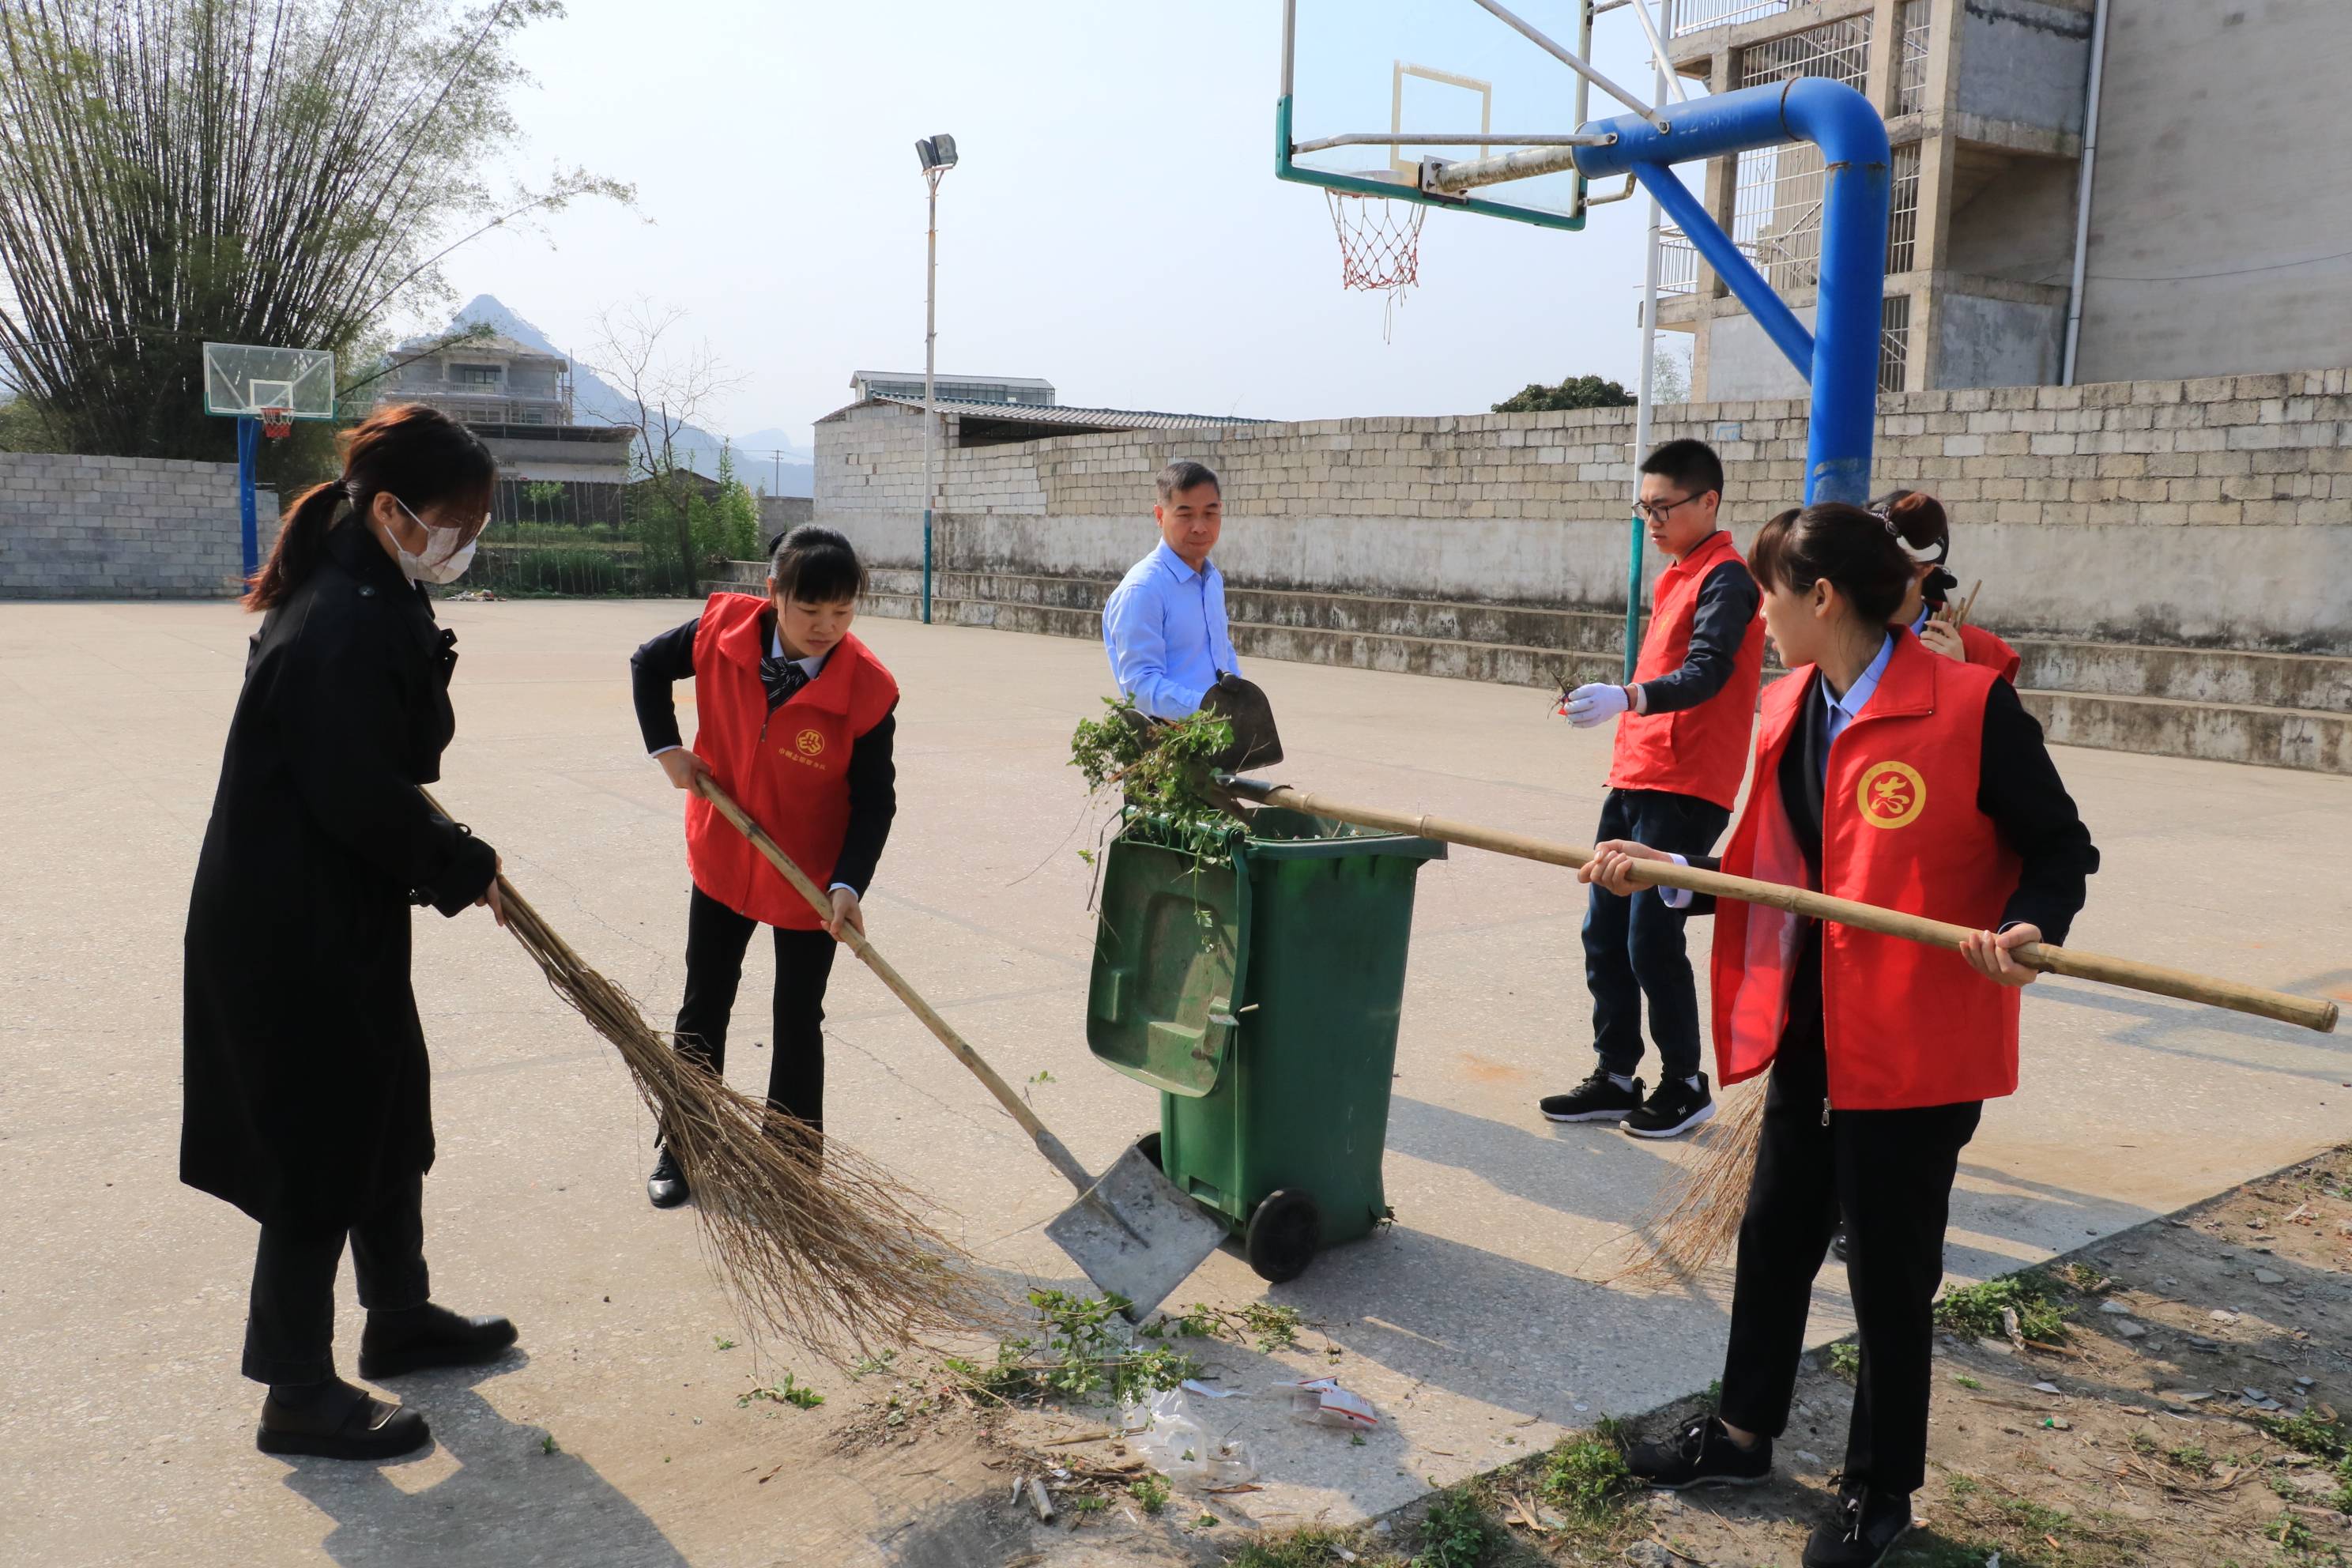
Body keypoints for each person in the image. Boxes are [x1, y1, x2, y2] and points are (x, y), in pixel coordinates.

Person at [1581, 501, 2098, 1568]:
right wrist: (1671, 874)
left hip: (1916, 1043)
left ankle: (1880, 1491)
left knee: (1889, 1275)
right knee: (1773, 1236)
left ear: (1821, 598)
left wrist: (2031, 923)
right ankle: (1738, 1434)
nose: (1760, 612)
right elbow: (1772, 864)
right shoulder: (1783, 706)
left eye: (1770, 593)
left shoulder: (1969, 708)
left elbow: (2061, 846)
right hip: (1812, 1023)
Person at [183, 404, 519, 1463]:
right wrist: (459, 864)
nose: (465, 546)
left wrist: (449, 855)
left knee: (384, 1108)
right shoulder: (341, 616)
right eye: (455, 526)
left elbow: (385, 769)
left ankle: (400, 1318)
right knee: (318, 1148)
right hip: (288, 924)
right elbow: (360, 795)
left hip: (338, 905)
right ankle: (294, 1393)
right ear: (392, 512)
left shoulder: (373, 582)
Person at [629, 525, 899, 1208]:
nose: (826, 628)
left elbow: (874, 801)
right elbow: (647, 665)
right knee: (705, 996)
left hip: (808, 878)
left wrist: (846, 885)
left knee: (797, 1012)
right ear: (774, 593)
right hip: (724, 850)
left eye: (842, 612)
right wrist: (666, 748)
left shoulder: (867, 688)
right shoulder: (722, 632)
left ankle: (792, 1165)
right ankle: (684, 1142)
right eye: (811, 611)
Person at [1541, 439, 1765, 1139]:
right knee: (1603, 929)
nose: (1652, 519)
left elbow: (1707, 672)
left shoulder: (1728, 580)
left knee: (1650, 937)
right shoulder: (1677, 574)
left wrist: (1628, 694)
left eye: (1663, 506)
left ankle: (1685, 1081)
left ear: (1709, 501)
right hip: (1636, 773)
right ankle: (1615, 1074)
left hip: (1687, 782)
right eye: (1644, 507)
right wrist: (1610, 704)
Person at [1102, 458, 1241, 721]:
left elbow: (1222, 652)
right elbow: (1140, 685)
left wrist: (1239, 703)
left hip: (1218, 735)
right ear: (1159, 515)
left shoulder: (1212, 580)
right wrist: (1205, 710)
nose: (1200, 526)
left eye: (1210, 513)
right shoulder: (1143, 589)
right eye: (1185, 514)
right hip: (1169, 744)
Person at [1876, 488, 2020, 682]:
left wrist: (1961, 676)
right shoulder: (1837, 634)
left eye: (1893, 558)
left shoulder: (1981, 651)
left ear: (1926, 566)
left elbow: (1999, 712)